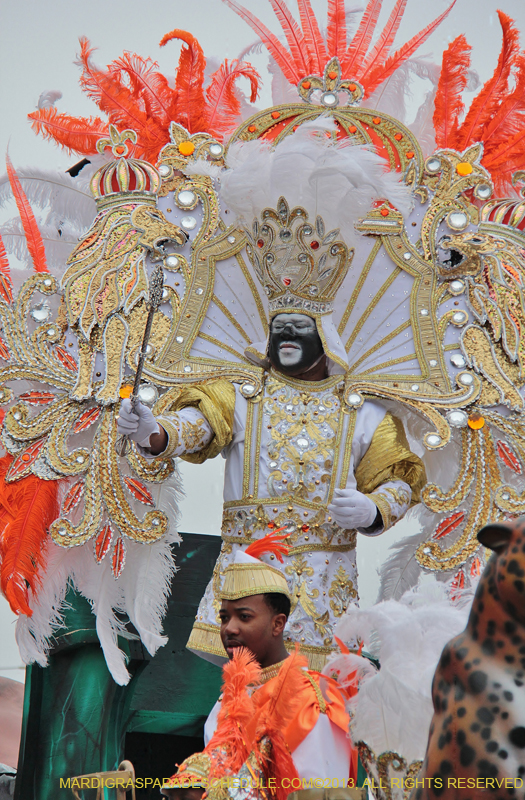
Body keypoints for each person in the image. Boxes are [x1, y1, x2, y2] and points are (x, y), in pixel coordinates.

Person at [118, 124, 427, 668]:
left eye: (297, 328)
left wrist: (375, 507)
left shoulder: (363, 410)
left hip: (327, 588)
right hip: (249, 582)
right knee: (241, 702)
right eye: (277, 327)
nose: (285, 337)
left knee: (314, 705)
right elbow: (200, 423)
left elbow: (399, 476)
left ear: (322, 336)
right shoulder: (244, 393)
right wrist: (156, 432)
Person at [161, 538, 356, 800]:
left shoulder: (313, 701)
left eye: (244, 617)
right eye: (224, 617)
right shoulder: (227, 701)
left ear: (278, 624)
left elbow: (325, 791)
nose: (229, 628)